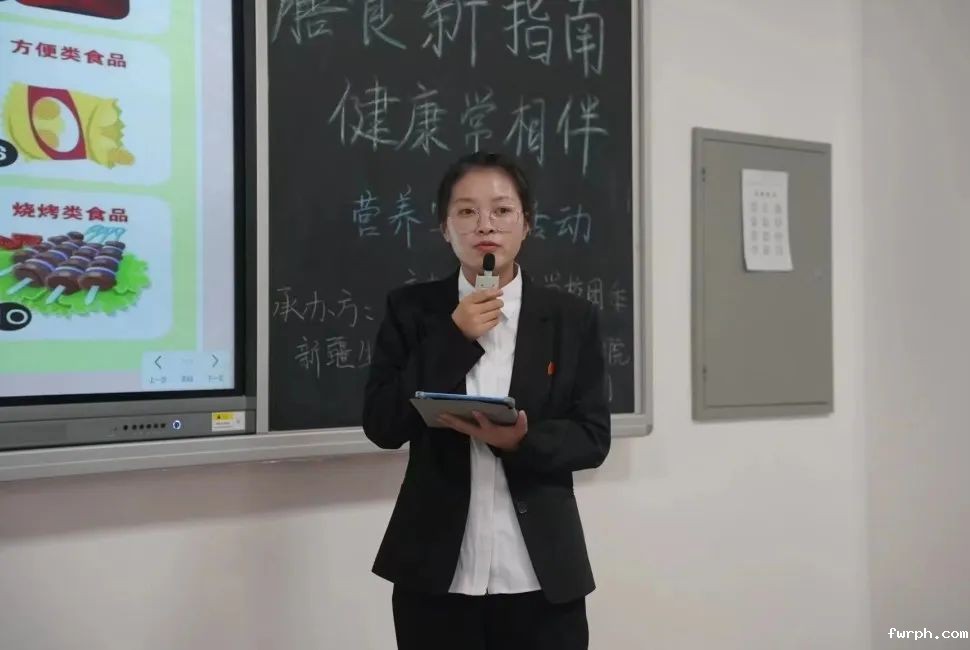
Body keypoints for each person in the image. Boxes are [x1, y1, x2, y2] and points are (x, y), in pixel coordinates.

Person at [362, 151, 611, 650]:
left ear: (526, 224)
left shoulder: (571, 318)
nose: (485, 225)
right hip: (436, 574)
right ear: (444, 227)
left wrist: (522, 440)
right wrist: (453, 337)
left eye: (501, 210)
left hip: (540, 574)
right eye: (466, 211)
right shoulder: (411, 311)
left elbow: (593, 437)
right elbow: (383, 426)